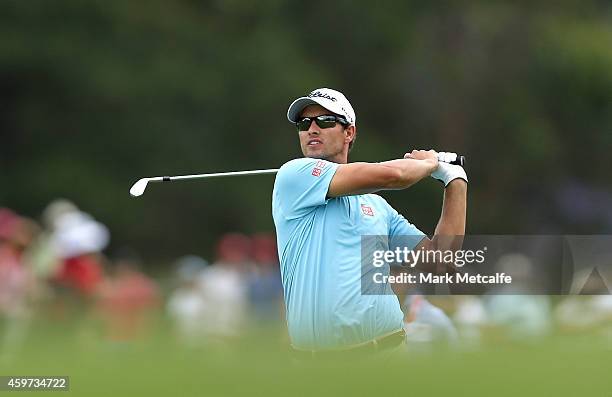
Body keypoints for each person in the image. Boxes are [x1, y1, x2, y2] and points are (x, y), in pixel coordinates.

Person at [272, 88, 468, 354]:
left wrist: (455, 180)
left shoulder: (377, 207)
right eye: (304, 123)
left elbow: (440, 262)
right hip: (316, 365)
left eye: (326, 121)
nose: (312, 129)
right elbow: (396, 174)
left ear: (349, 133)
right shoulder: (294, 176)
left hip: (388, 352)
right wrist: (431, 163)